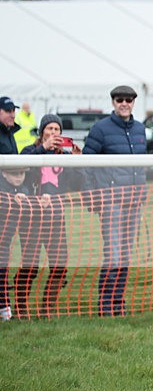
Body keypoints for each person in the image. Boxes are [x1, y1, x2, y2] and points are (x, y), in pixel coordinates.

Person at [83, 85, 148, 316]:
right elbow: (85, 165)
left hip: (133, 202)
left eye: (129, 100)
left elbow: (142, 165)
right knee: (113, 255)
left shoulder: (140, 129)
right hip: (111, 202)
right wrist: (92, 198)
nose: (124, 103)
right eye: (120, 99)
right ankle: (105, 306)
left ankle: (118, 303)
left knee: (126, 255)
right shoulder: (100, 129)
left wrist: (143, 192)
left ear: (133, 102)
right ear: (113, 102)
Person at [16, 114, 84, 318]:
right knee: (30, 264)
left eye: (57, 130)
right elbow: (22, 171)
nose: (54, 133)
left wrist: (77, 163)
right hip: (32, 216)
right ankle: (21, 307)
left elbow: (77, 185)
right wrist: (43, 148)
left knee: (60, 263)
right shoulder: (31, 150)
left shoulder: (63, 155)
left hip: (56, 217)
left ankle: (47, 307)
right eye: (50, 129)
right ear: (42, 131)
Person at [1, 166, 32, 321]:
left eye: (22, 173)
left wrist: (23, 197)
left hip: (5, 240)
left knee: (3, 273)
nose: (19, 177)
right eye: (15, 173)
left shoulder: (23, 191)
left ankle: (5, 310)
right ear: (4, 174)